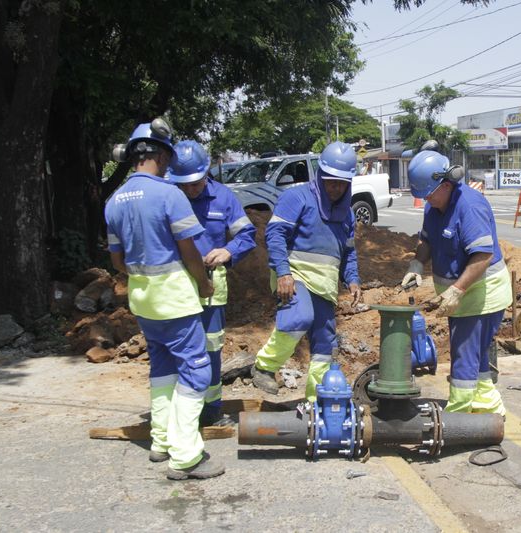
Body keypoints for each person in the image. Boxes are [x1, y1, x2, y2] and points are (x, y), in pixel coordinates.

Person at [104, 119, 224, 480]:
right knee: (196, 368)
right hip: (174, 298)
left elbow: (116, 260)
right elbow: (190, 251)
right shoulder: (169, 194)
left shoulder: (113, 201)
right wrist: (204, 285)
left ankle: (161, 440)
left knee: (162, 368)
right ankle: (186, 455)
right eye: (168, 158)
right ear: (158, 154)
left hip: (143, 301)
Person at [401, 148, 511, 415]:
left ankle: (459, 416)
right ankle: (488, 407)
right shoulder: (435, 205)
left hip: (481, 295)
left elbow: (483, 256)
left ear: (447, 184)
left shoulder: (469, 206)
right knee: (476, 354)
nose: (426, 198)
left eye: (428, 193)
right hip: (461, 297)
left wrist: (457, 290)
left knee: (463, 355)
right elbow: (426, 240)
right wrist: (417, 264)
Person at [251, 141, 362, 401]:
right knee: (298, 318)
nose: (335, 187)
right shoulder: (296, 197)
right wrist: (282, 273)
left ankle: (317, 400)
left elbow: (349, 252)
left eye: (342, 183)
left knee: (325, 344)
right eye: (330, 181)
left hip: (324, 284)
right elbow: (275, 235)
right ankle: (264, 366)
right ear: (320, 175)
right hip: (294, 276)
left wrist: (353, 279)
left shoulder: (346, 214)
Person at [166, 140, 256, 428]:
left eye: (196, 183)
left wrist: (229, 251)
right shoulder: (168, 196)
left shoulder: (223, 198)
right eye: (185, 185)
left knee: (211, 347)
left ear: (206, 174)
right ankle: (180, 408)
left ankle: (212, 408)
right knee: (179, 346)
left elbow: (247, 234)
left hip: (212, 284)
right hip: (177, 281)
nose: (191, 190)